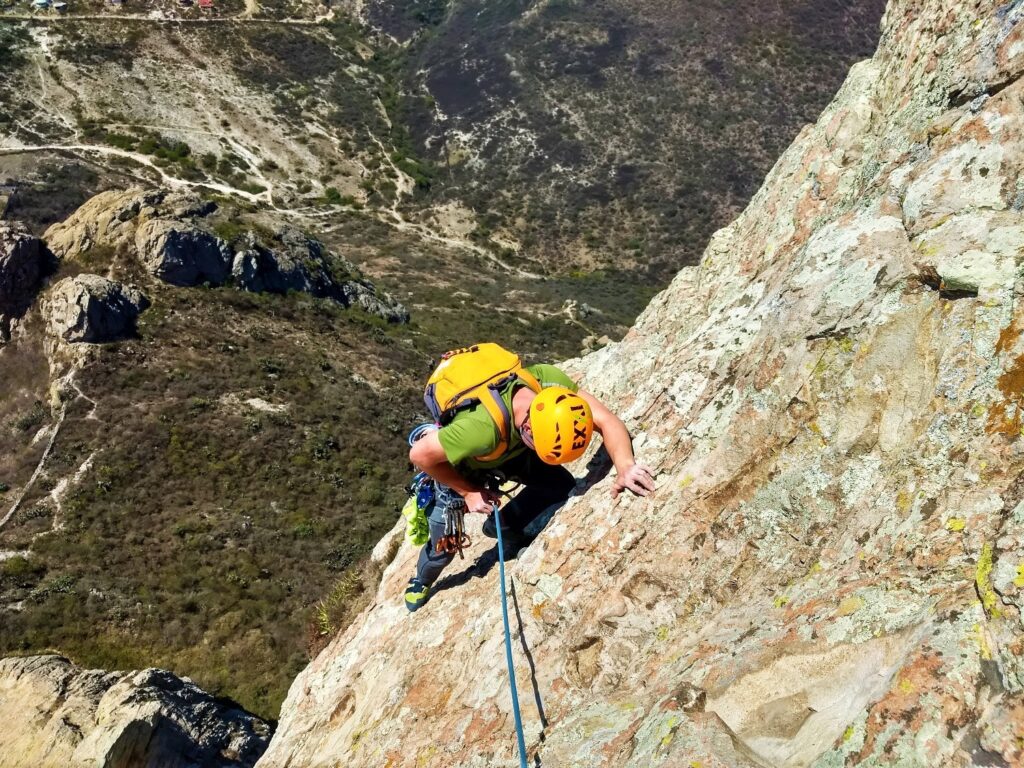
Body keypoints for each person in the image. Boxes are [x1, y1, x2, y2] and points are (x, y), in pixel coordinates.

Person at [404, 357, 654, 612]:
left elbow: (606, 420)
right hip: (461, 469)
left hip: (510, 451)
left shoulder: (550, 387)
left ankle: (500, 525)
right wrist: (468, 492)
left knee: (559, 485)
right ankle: (421, 579)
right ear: (528, 428)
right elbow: (420, 456)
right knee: (446, 543)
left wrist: (625, 466)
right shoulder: (479, 431)